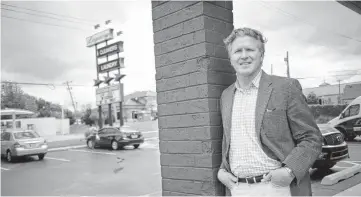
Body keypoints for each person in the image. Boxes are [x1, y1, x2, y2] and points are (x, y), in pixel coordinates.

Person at [217, 27, 323, 196]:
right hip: (238, 189)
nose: (244, 55)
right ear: (231, 58)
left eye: (250, 49)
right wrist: (222, 170)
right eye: (238, 51)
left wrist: (289, 171)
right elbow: (230, 140)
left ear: (262, 56)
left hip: (277, 188)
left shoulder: (286, 88)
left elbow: (312, 138)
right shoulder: (226, 95)